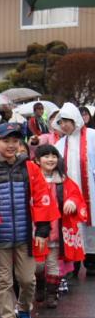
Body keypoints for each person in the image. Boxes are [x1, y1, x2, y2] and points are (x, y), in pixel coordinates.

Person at [0, 122, 59, 318]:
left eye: (15, 141)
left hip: (26, 237)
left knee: (28, 280)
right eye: (6, 141)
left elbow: (42, 199)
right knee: (3, 282)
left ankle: (24, 310)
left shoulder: (29, 168)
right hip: (0, 238)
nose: (11, 145)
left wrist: (43, 229)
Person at [33, 144, 87, 309]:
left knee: (52, 263)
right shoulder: (32, 178)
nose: (50, 159)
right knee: (38, 264)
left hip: (56, 229)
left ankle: (52, 294)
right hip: (36, 229)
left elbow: (76, 195)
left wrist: (72, 202)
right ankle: (40, 286)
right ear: (37, 160)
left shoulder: (63, 179)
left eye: (53, 156)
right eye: (46, 156)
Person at [54, 103, 95, 277]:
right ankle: (73, 263)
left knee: (90, 225)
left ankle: (92, 261)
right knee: (72, 225)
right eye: (61, 122)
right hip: (69, 192)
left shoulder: (92, 136)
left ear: (75, 120)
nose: (64, 125)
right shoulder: (59, 143)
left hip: (90, 191)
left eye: (67, 121)